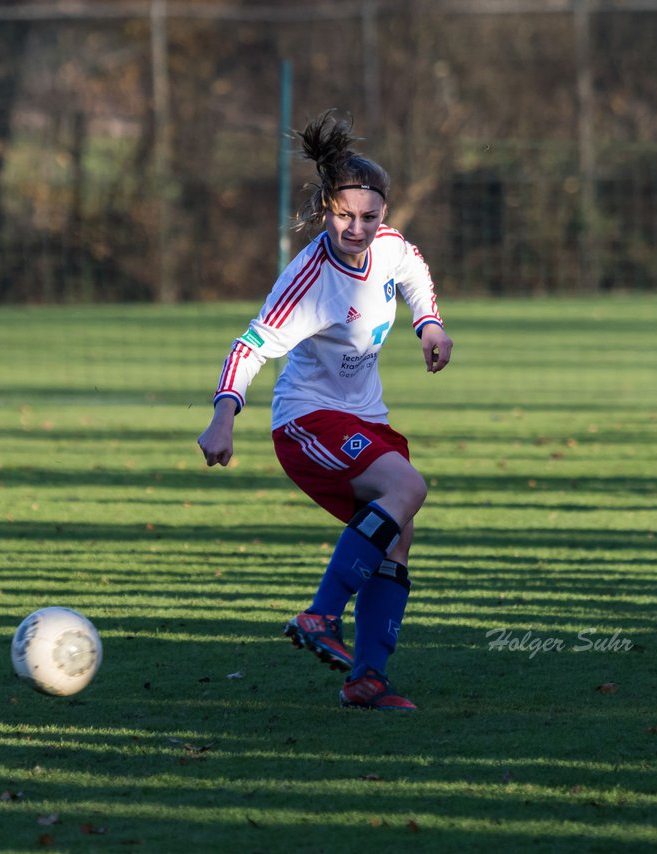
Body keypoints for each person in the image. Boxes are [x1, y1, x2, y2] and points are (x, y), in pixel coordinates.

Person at [197, 110, 452, 711]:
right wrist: (223, 416)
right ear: (325, 213)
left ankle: (367, 680)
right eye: (345, 216)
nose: (357, 228)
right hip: (307, 421)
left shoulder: (388, 247)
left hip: (366, 417)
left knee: (398, 540)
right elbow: (252, 344)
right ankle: (319, 615)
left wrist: (431, 326)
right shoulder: (309, 279)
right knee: (408, 488)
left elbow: (414, 272)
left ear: (383, 213)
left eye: (368, 216)